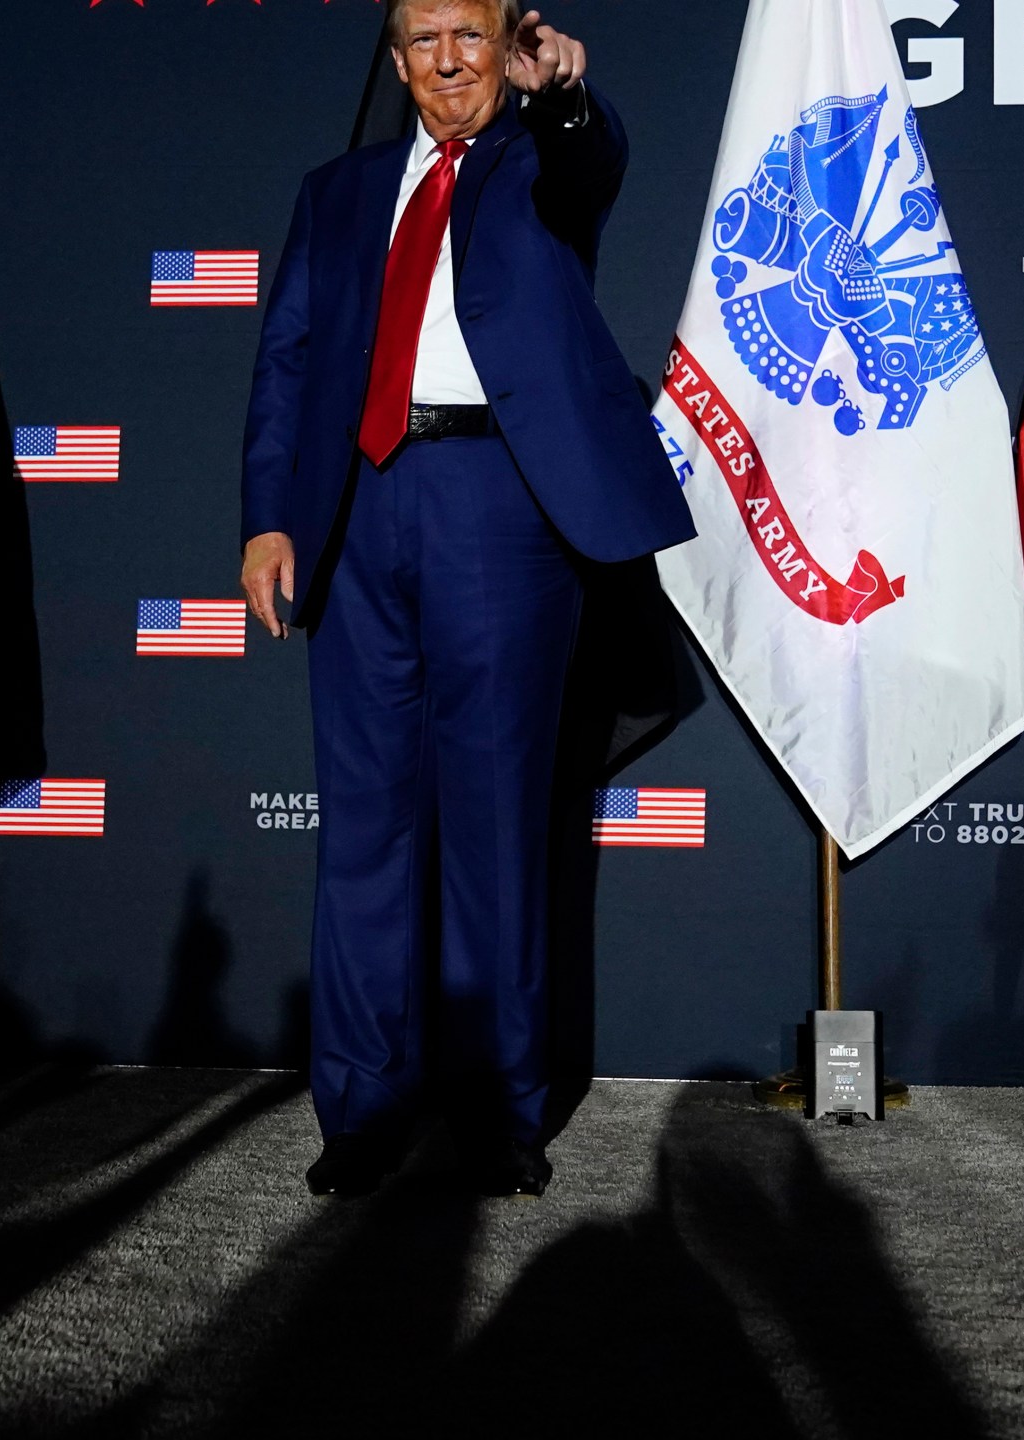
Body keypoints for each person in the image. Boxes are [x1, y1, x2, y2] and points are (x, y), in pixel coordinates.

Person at [239, 2, 694, 1197]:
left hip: (499, 501)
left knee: (497, 823)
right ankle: (363, 1104)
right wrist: (268, 519)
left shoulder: (543, 158)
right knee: (367, 828)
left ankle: (502, 1109)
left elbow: (595, 156)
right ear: (396, 61)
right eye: (425, 40)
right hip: (356, 509)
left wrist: (565, 95)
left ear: (506, 49)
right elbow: (286, 359)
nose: (448, 60)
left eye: (473, 37)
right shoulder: (334, 193)